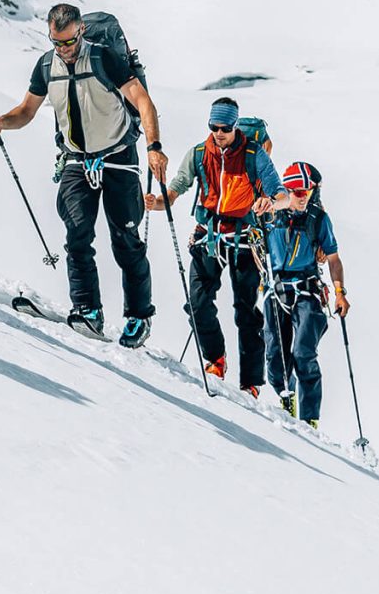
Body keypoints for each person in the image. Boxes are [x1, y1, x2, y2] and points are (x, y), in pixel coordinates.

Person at [0, 4, 165, 347]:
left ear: (81, 31)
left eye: (68, 42)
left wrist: (154, 146)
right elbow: (26, 111)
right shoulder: (46, 66)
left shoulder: (104, 58)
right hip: (75, 160)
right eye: (57, 43)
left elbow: (143, 101)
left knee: (126, 239)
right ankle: (87, 309)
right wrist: (1, 123)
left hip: (118, 157)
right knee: (77, 233)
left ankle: (139, 316)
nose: (63, 50)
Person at [147, 98, 301, 389]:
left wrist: (271, 202)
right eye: (214, 127)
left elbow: (280, 193)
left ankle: (251, 382)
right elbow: (177, 187)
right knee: (198, 302)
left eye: (225, 128)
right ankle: (215, 358)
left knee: (245, 310)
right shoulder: (199, 153)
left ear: (234, 126)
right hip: (210, 235)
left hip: (246, 238)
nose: (219, 133)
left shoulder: (254, 155)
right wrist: (157, 203)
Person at [262, 161, 348, 422]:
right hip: (275, 290)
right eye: (293, 191)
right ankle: (285, 396)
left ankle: (310, 417)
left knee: (303, 352)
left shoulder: (318, 219)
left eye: (304, 192)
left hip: (306, 292)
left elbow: (333, 258)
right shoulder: (272, 213)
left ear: (313, 192)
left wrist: (340, 292)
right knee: (275, 356)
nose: (299, 197)